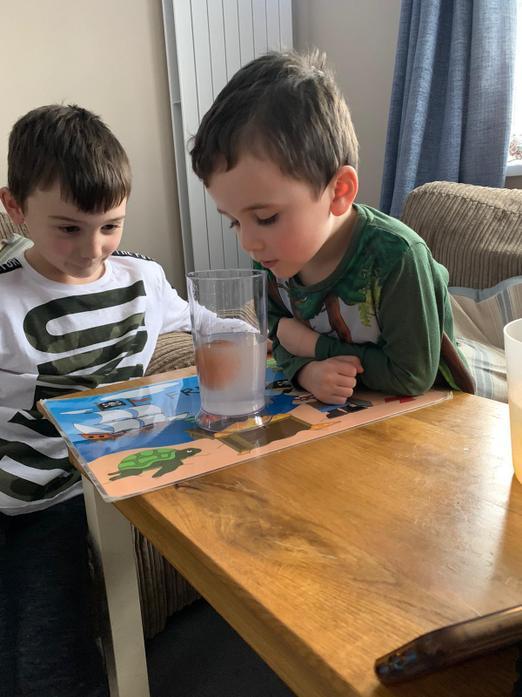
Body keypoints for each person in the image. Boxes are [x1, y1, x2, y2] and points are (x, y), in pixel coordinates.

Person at [0, 104, 191, 696]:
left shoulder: (141, 278)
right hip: (24, 487)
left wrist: (282, 338)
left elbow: (202, 323)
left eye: (110, 226)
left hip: (96, 477)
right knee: (29, 645)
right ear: (15, 208)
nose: (92, 249)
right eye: (68, 228)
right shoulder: (6, 296)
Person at [190, 50, 474, 404]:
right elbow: (279, 336)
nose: (249, 242)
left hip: (437, 407)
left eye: (266, 218)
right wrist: (306, 371)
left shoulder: (398, 257)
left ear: (338, 191)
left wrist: (314, 346)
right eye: (234, 221)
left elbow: (413, 375)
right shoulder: (272, 256)